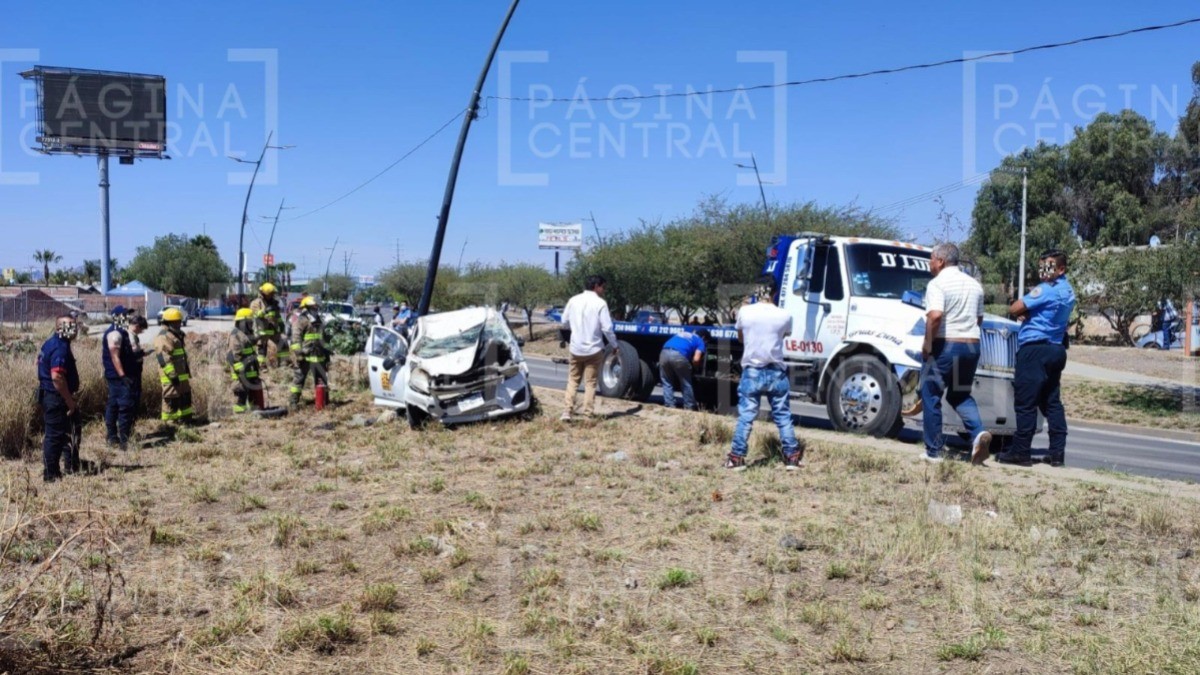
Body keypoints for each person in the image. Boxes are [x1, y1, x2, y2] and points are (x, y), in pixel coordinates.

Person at [996, 250, 1077, 466]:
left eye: (1048, 267)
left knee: (1026, 402)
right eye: (1041, 267)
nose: (1043, 271)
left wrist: (1023, 310)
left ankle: (1020, 451)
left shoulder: (1045, 290)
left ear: (1061, 269)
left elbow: (1015, 308)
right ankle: (1057, 453)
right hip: (1056, 348)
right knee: (1052, 402)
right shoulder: (1068, 291)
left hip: (1035, 349)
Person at [918, 243, 991, 465]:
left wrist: (927, 344)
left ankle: (933, 452)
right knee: (959, 394)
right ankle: (978, 434)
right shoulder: (975, 285)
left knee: (930, 394)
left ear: (940, 261)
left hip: (946, 345)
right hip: (971, 346)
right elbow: (979, 319)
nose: (929, 263)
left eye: (931, 259)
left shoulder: (937, 284)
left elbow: (935, 316)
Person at [727, 284, 802, 471]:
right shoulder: (785, 315)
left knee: (746, 416)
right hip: (776, 371)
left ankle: (736, 458)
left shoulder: (745, 311)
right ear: (775, 292)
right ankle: (792, 458)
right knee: (783, 416)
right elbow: (782, 336)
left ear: (756, 291)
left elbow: (741, 339)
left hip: (752, 370)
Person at [559, 274, 616, 421]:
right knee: (590, 383)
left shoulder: (573, 300)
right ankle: (587, 414)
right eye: (603, 287)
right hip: (594, 349)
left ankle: (567, 411)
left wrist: (575, 329)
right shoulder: (600, 303)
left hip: (576, 348)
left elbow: (564, 321)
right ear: (596, 286)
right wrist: (614, 345)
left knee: (573, 380)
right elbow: (607, 328)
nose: (604, 290)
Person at [37, 315, 82, 482]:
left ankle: (71, 465)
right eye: (70, 326)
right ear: (59, 328)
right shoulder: (59, 347)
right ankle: (51, 475)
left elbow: (39, 362)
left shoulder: (52, 343)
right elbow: (57, 377)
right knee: (54, 436)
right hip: (56, 398)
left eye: (75, 325)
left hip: (53, 395)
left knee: (71, 430)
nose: (74, 329)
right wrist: (69, 401)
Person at [102, 305, 137, 449]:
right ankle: (123, 440)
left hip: (118, 376)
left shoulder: (122, 331)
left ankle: (113, 437)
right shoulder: (115, 334)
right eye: (125, 315)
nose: (128, 317)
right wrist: (123, 376)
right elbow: (115, 356)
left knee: (114, 405)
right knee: (124, 406)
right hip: (118, 378)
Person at [153, 307, 195, 424]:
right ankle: (170, 425)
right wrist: (172, 375)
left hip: (181, 375)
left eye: (179, 322)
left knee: (185, 397)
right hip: (171, 377)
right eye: (176, 322)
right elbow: (163, 359)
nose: (179, 324)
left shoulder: (174, 334)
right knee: (171, 400)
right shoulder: (163, 336)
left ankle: (186, 421)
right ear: (168, 322)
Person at [289, 296, 329, 409]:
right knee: (299, 380)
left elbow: (323, 338)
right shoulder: (301, 321)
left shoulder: (318, 320)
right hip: (305, 356)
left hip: (318, 356)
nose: (316, 309)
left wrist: (326, 352)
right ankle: (293, 403)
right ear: (306, 308)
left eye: (316, 307)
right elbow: (295, 339)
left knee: (321, 380)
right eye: (313, 307)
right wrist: (299, 354)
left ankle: (323, 402)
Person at [658, 327, 707, 410]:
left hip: (664, 352)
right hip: (679, 355)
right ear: (704, 337)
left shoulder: (682, 334)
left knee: (667, 381)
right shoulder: (700, 340)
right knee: (685, 382)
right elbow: (696, 359)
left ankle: (669, 405)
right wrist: (695, 368)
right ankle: (689, 406)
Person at [227, 308, 262, 413]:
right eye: (249, 322)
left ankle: (252, 412)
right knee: (241, 395)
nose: (251, 325)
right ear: (242, 322)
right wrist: (241, 373)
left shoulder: (244, 334)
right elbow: (235, 356)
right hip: (241, 374)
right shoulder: (235, 335)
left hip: (249, 371)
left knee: (250, 394)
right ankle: (240, 415)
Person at [249, 283, 285, 369]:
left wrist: (281, 323)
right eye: (271, 293)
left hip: (273, 328)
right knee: (261, 348)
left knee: (283, 344)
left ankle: (283, 364)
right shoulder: (256, 303)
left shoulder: (274, 303)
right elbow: (255, 315)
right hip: (261, 330)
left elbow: (277, 316)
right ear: (265, 294)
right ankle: (262, 367)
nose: (273, 295)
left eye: (273, 293)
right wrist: (265, 311)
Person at [128, 315, 148, 418]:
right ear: (136, 326)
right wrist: (142, 353)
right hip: (133, 369)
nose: (142, 332)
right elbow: (134, 353)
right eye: (141, 329)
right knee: (134, 392)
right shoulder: (130, 337)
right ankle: (133, 416)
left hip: (135, 368)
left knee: (135, 391)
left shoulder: (132, 335)